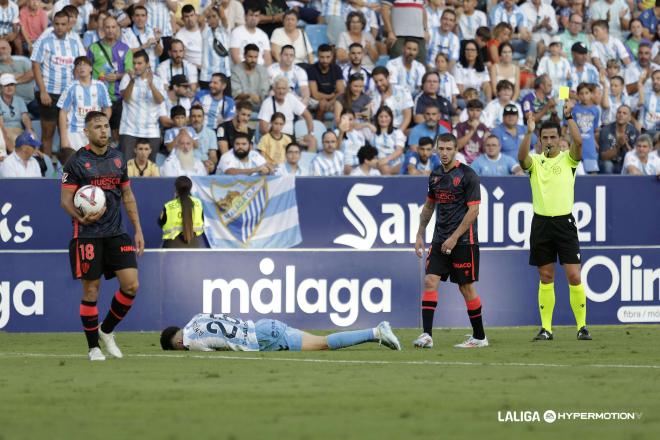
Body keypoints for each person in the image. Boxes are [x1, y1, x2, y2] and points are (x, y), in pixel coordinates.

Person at [60, 111, 144, 361]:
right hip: (87, 234)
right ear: (87, 131)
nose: (103, 131)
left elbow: (127, 195)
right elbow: (65, 200)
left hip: (117, 232)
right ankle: (93, 348)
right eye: (97, 127)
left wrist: (137, 229)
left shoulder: (119, 159)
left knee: (131, 285)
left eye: (106, 126)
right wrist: (80, 216)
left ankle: (106, 331)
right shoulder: (75, 162)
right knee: (91, 292)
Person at [517, 102, 591, 342]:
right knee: (546, 276)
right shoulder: (535, 162)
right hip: (541, 224)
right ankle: (546, 329)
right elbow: (521, 158)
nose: (549, 140)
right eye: (545, 137)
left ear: (560, 139)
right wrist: (528, 131)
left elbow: (579, 143)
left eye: (553, 136)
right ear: (540, 140)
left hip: (564, 224)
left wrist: (569, 116)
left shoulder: (568, 161)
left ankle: (582, 327)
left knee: (574, 276)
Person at [413, 133, 487, 349]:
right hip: (439, 239)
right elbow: (429, 206)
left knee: (466, 287)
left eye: (448, 149)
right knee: (430, 281)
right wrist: (419, 233)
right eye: (441, 149)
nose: (444, 153)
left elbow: (474, 211)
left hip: (464, 241)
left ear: (456, 150)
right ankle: (426, 335)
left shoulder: (467, 175)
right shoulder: (435, 175)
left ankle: (480, 337)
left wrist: (454, 238)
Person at [160, 313, 401, 351]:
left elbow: (209, 353)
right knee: (322, 342)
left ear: (178, 341)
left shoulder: (189, 341)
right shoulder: (196, 318)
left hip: (262, 339)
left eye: (178, 347)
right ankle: (375, 332)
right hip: (262, 326)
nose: (182, 348)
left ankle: (376, 332)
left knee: (323, 343)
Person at [31, 10, 86, 156]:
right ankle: (48, 170)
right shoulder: (44, 41)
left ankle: (67, 170)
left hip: (68, 95)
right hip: (49, 93)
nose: (60, 27)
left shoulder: (75, 42)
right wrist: (42, 91)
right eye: (57, 24)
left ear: (69, 25)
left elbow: (81, 65)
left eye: (63, 24)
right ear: (52, 24)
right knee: (48, 133)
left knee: (66, 134)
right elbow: (35, 65)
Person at [87, 16, 133, 142]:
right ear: (103, 29)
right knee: (99, 133)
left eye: (113, 27)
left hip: (118, 98)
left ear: (118, 28)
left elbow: (130, 73)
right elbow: (86, 71)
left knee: (116, 133)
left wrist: (117, 76)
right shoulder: (93, 48)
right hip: (98, 99)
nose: (110, 30)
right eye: (107, 27)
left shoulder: (125, 49)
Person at [118, 50, 167, 160]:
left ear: (147, 64)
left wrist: (151, 85)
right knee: (127, 169)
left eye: (139, 63)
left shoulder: (158, 80)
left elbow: (160, 100)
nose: (136, 66)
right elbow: (125, 98)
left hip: (151, 132)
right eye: (134, 63)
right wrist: (132, 81)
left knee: (150, 170)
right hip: (129, 130)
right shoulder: (127, 78)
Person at [57, 56, 112, 151]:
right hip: (75, 133)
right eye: (78, 65)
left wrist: (101, 126)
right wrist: (64, 138)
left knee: (95, 162)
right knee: (76, 163)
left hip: (94, 132)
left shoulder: (100, 86)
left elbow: (107, 109)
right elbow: (63, 113)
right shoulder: (71, 87)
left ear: (91, 68)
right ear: (76, 69)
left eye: (84, 64)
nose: (81, 67)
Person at [158, 176, 205, 248]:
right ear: (190, 189)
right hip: (194, 247)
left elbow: (160, 223)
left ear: (175, 189)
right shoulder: (198, 203)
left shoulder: (169, 206)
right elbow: (202, 220)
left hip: (171, 247)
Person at [308, 44, 345, 120]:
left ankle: (337, 129)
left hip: (333, 99)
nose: (325, 60)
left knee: (340, 104)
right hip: (315, 100)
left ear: (332, 57)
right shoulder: (311, 69)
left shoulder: (337, 69)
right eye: (322, 57)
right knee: (322, 104)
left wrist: (330, 102)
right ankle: (318, 127)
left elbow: (341, 91)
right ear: (318, 56)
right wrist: (330, 96)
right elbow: (315, 94)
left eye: (328, 57)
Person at [599, 105, 639, 174]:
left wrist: (626, 144)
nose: (621, 115)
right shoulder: (605, 130)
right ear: (616, 115)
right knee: (607, 165)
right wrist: (618, 145)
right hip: (610, 162)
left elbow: (636, 156)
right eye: (619, 112)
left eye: (624, 113)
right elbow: (604, 157)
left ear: (629, 118)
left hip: (626, 163)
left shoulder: (634, 131)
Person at [371, 66, 413, 133]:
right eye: (376, 82)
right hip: (383, 130)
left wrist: (399, 133)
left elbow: (407, 116)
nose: (379, 84)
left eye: (381, 80)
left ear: (388, 78)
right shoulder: (373, 96)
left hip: (402, 128)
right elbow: (377, 119)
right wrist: (382, 102)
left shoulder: (403, 90)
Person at [572, 83, 601, 174]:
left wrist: (595, 143)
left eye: (587, 93)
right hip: (576, 146)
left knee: (593, 175)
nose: (584, 96)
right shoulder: (573, 109)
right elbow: (567, 127)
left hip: (590, 148)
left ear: (591, 94)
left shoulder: (596, 110)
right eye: (581, 93)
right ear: (577, 95)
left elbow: (595, 129)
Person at [199, 5, 231, 90]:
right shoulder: (204, 31)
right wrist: (209, 7)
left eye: (214, 16)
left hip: (224, 74)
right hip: (207, 75)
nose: (212, 19)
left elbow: (224, 17)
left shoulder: (224, 30)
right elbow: (200, 19)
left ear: (219, 17)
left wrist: (218, 4)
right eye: (209, 17)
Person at [230, 44, 270, 111]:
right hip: (240, 106)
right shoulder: (235, 70)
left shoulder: (263, 70)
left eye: (255, 57)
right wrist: (249, 95)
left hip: (260, 106)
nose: (253, 60)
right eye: (250, 57)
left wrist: (259, 98)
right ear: (244, 56)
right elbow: (236, 94)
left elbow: (265, 91)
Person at [0, 73, 33, 150]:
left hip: (19, 130)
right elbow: (1, 125)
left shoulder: (19, 100)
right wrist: (6, 138)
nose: (9, 87)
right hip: (4, 131)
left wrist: (29, 129)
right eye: (6, 85)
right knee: (18, 141)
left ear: (15, 87)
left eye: (12, 84)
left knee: (33, 139)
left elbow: (25, 118)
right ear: (1, 88)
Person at [369, 106, 405, 175]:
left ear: (391, 118)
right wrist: (367, 124)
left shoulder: (397, 132)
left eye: (386, 116)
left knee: (385, 168)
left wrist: (386, 159)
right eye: (381, 116)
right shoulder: (372, 132)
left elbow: (399, 151)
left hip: (396, 163)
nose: (383, 119)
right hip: (378, 163)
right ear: (377, 118)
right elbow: (354, 126)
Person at [0, 38, 35, 106]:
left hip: (31, 101)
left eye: (3, 48)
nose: (1, 51)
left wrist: (12, 81)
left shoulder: (23, 61)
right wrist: (23, 75)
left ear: (9, 49)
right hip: (11, 104)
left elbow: (31, 75)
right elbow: (2, 78)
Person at [454, 99, 488, 164]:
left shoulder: (484, 128)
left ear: (481, 112)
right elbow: (457, 146)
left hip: (479, 163)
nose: (474, 113)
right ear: (467, 111)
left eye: (478, 110)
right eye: (471, 110)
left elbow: (486, 150)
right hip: (462, 162)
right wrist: (472, 130)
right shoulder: (460, 126)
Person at [174, 4, 202, 69]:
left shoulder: (204, 29)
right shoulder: (179, 36)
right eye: (186, 16)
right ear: (182, 19)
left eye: (192, 15)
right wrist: (196, 66)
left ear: (196, 16)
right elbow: (179, 58)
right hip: (192, 69)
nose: (190, 19)